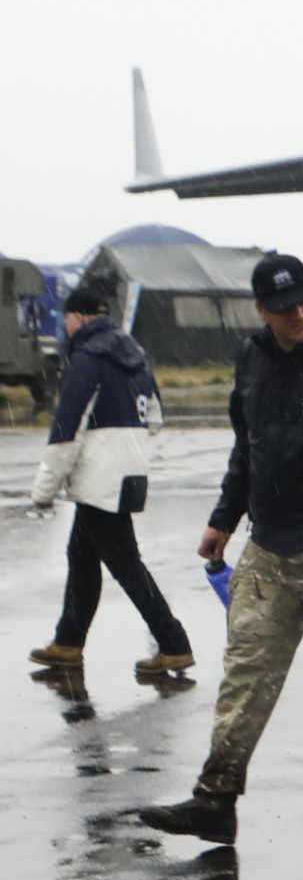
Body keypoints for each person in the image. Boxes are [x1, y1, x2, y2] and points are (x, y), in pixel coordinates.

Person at [136, 252, 303, 852]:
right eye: (286, 309)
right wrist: (223, 519)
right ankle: (215, 799)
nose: (301, 315)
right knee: (246, 672)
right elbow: (249, 446)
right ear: (262, 312)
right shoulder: (253, 358)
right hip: (269, 547)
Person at [27, 290, 193, 688]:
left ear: (78, 317)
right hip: (130, 472)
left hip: (100, 479)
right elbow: (154, 417)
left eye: (66, 317)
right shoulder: (135, 354)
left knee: (126, 564)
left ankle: (173, 642)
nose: (64, 325)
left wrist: (44, 488)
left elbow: (66, 431)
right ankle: (68, 642)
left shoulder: (86, 359)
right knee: (81, 556)